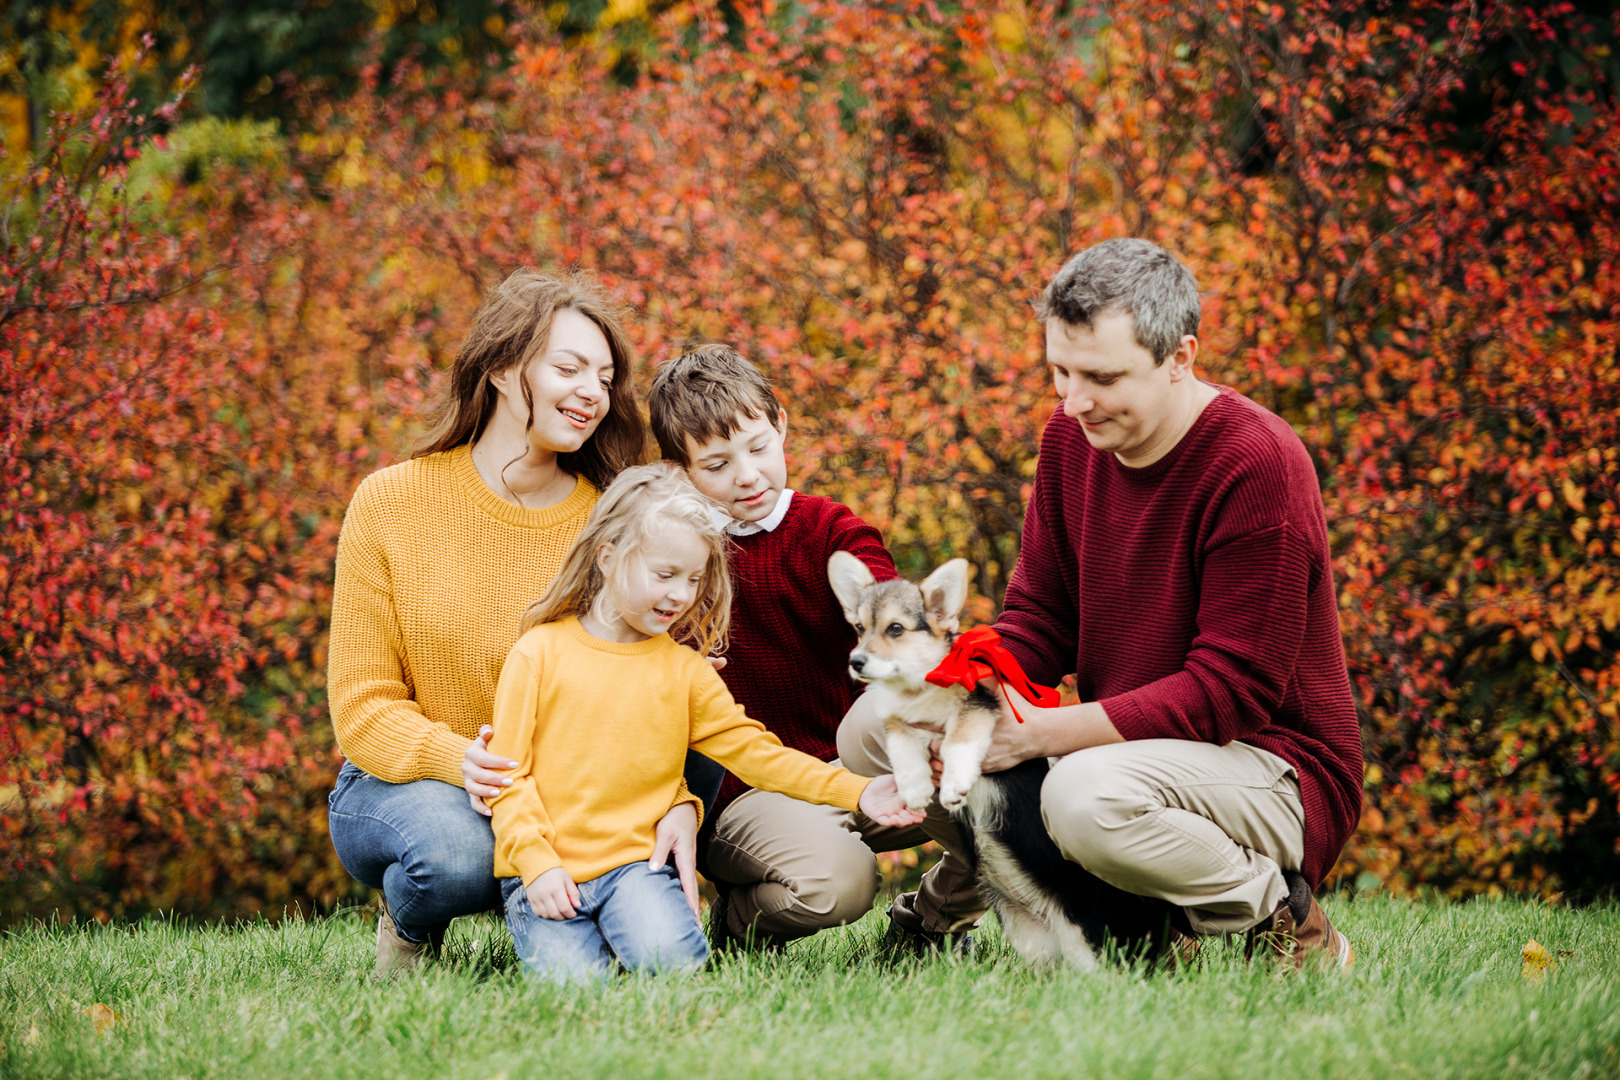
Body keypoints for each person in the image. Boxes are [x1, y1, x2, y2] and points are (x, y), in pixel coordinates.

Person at [839, 238, 1364, 968]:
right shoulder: (1073, 438)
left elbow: (1231, 691)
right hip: (1138, 749)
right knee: (877, 722)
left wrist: (1041, 736)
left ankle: (1282, 916)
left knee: (1084, 796)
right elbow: (1041, 619)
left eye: (1101, 376)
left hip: (1271, 765)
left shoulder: (1256, 466)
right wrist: (976, 688)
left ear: (1180, 358)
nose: (1072, 399)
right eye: (1060, 370)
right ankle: (1070, 904)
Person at [325, 268, 708, 978]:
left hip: (565, 785)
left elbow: (653, 685)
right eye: (569, 368)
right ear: (501, 368)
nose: (592, 392)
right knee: (457, 856)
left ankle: (613, 915)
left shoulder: (609, 518)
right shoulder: (389, 503)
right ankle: (409, 926)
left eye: (605, 376)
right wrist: (460, 762)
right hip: (414, 780)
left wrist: (675, 802)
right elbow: (363, 708)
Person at [486, 463, 922, 982]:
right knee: (579, 986)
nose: (680, 595)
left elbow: (759, 755)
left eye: (693, 579)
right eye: (664, 575)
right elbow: (507, 777)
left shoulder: (685, 670)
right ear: (607, 557)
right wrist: (536, 864)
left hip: (635, 869)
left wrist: (857, 792)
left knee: (675, 968)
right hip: (545, 866)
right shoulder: (539, 653)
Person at [644, 345, 986, 952]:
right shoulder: (674, 562)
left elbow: (892, 611)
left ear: (780, 425)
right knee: (840, 884)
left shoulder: (831, 531)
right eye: (717, 464)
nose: (746, 475)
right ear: (681, 471)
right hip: (747, 792)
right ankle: (739, 921)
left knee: (993, 794)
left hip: (852, 767)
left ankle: (931, 920)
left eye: (756, 447)